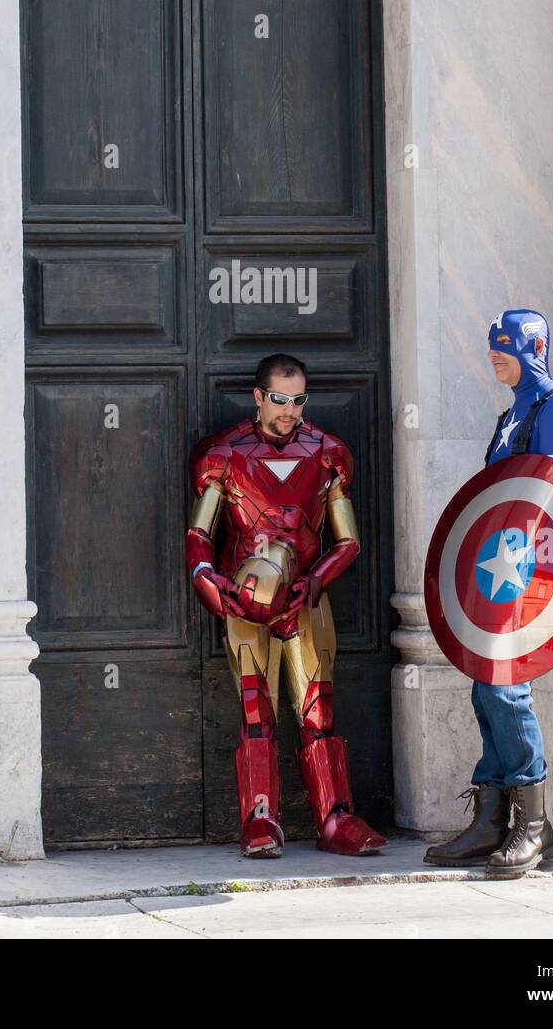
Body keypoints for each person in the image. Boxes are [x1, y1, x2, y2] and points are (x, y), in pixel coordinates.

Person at [186, 353, 386, 859]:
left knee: (318, 714)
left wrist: (315, 581)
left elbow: (348, 542)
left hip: (306, 600)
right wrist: (207, 580)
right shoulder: (224, 455)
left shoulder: (327, 454)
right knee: (257, 713)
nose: (289, 411)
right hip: (245, 601)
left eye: (298, 400)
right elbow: (199, 533)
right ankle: (260, 820)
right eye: (279, 399)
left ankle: (336, 819)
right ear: (258, 397)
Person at [424, 308, 553, 878]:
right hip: (496, 566)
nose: (493, 354)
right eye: (491, 345)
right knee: (484, 686)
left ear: (535, 347)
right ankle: (492, 817)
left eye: (505, 346)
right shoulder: (510, 415)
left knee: (506, 687)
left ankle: (534, 824)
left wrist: (514, 562)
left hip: (537, 568)